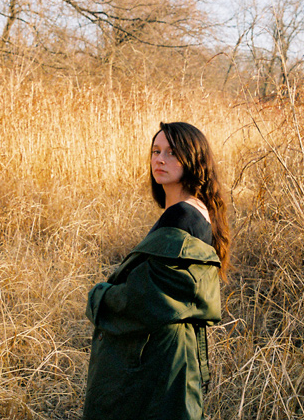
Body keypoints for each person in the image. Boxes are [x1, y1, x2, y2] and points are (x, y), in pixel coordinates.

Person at [83, 121, 231, 420]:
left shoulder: (182, 216)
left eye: (172, 153)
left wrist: (101, 296)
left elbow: (149, 297)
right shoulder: (196, 209)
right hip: (171, 348)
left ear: (193, 159)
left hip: (160, 355)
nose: (160, 160)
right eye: (156, 151)